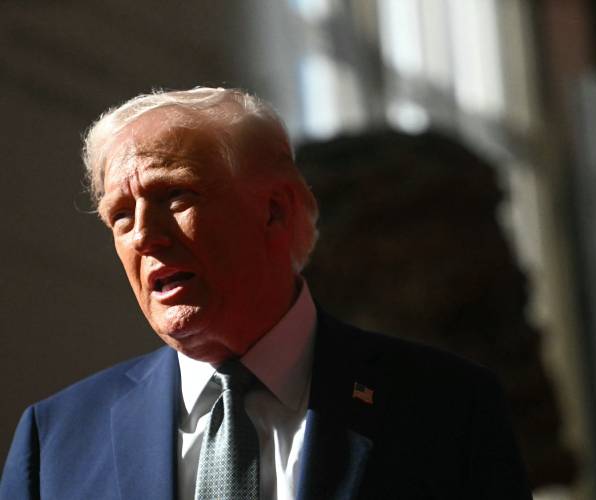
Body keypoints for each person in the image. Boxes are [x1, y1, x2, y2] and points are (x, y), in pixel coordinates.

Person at [0, 87, 532, 500]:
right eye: (120, 216)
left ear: (274, 210)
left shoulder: (449, 408)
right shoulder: (56, 440)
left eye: (175, 195)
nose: (144, 235)